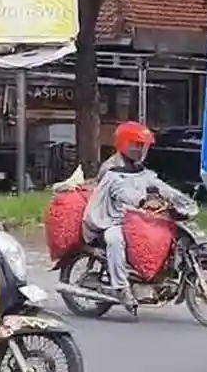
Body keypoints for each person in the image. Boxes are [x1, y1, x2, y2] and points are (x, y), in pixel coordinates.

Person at [83, 120, 198, 309]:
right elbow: (121, 192)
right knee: (115, 239)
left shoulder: (137, 167)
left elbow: (157, 184)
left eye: (141, 145)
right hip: (111, 218)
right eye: (135, 144)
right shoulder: (112, 169)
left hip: (135, 217)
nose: (139, 149)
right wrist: (142, 201)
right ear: (124, 143)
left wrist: (181, 201)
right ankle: (120, 287)